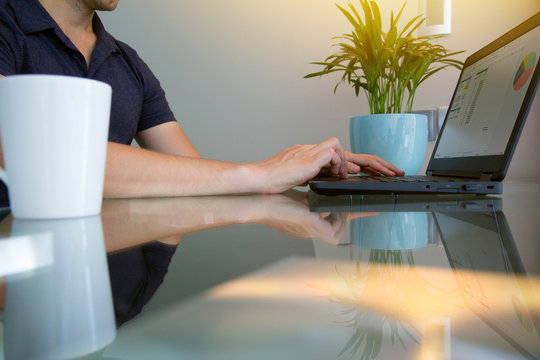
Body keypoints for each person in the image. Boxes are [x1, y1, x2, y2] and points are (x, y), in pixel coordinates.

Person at [0, 0, 404, 205]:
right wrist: (259, 174)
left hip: (101, 288)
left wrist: (290, 169)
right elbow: (34, 159)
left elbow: (192, 177)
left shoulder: (127, 63)